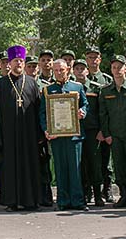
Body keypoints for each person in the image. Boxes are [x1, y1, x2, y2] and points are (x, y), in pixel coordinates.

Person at [0, 45, 42, 211]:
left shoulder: (33, 84)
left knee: (30, 166)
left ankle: (31, 200)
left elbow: (39, 110)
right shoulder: (1, 84)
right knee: (10, 167)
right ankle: (11, 201)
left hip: (29, 135)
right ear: (9, 64)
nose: (18, 63)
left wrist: (40, 134)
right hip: (8, 134)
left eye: (21, 60)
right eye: (15, 61)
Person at [40, 59, 88, 211]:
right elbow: (42, 113)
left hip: (74, 135)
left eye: (61, 70)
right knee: (60, 169)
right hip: (57, 136)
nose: (59, 73)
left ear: (68, 69)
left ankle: (78, 200)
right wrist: (46, 129)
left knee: (75, 168)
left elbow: (86, 104)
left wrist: (83, 112)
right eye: (56, 70)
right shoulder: (48, 90)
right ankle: (62, 200)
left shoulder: (77, 86)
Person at [99, 55, 126, 208]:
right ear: (111, 70)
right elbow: (103, 114)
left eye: (120, 67)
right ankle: (124, 195)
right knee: (119, 165)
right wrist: (107, 133)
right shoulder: (105, 91)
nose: (117, 70)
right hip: (115, 135)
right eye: (114, 67)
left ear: (125, 68)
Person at [84, 45, 113, 201]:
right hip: (88, 128)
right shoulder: (80, 80)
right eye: (90, 57)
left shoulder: (107, 80)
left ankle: (107, 189)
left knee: (106, 162)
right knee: (89, 161)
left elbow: (108, 109)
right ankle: (89, 191)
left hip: (103, 128)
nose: (93, 60)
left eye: (95, 57)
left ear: (100, 59)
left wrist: (104, 129)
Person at [75, 57, 105, 207]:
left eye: (82, 68)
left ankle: (98, 194)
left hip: (93, 130)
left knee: (95, 163)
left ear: (87, 70)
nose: (80, 71)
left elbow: (102, 111)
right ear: (73, 71)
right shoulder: (70, 87)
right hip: (76, 131)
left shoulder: (95, 88)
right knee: (81, 164)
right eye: (77, 69)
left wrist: (101, 130)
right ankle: (85, 194)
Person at [34, 49, 55, 207]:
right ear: (39, 63)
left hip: (63, 129)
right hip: (43, 130)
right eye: (43, 60)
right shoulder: (35, 83)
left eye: (49, 60)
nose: (46, 63)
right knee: (43, 162)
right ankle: (45, 192)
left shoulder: (60, 80)